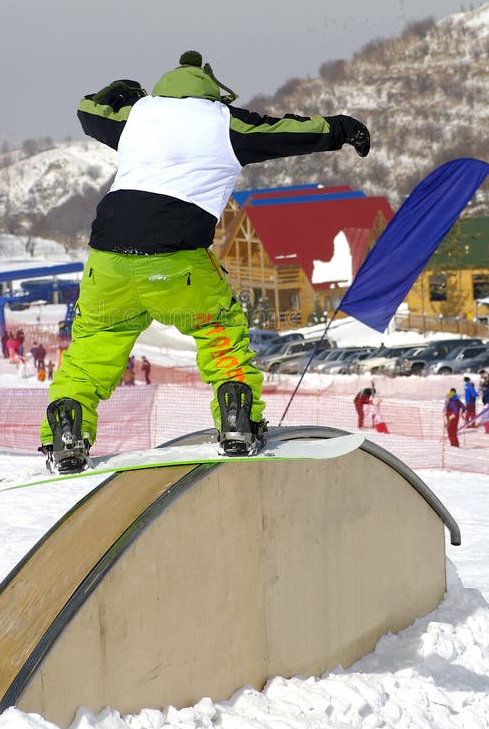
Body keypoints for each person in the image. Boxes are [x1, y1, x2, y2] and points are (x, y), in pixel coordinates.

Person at [38, 50, 371, 474]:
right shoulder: (224, 122)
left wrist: (120, 90)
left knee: (91, 350)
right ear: (212, 91)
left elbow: (90, 109)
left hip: (108, 260)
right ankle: (237, 421)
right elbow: (290, 131)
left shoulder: (136, 116)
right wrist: (343, 130)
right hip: (178, 260)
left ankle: (68, 431)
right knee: (219, 331)